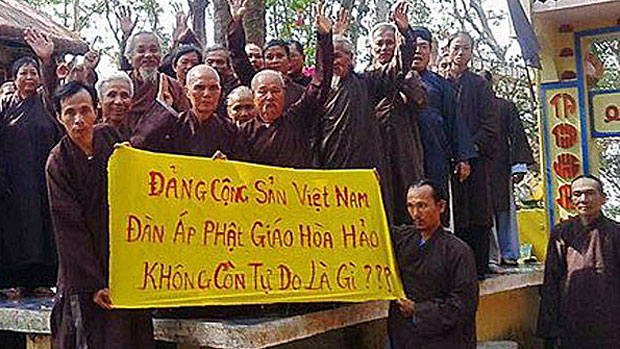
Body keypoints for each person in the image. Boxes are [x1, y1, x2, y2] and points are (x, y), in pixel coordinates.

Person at [47, 82, 155, 349]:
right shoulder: (58, 162)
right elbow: (69, 228)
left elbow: (146, 177)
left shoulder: (111, 139)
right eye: (70, 113)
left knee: (133, 337)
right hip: (84, 271)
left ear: (96, 111)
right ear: (60, 117)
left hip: (122, 262)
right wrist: (93, 283)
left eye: (85, 110)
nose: (78, 120)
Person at [316, 2, 413, 223]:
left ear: (351, 59)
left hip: (367, 169)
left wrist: (405, 33)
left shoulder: (368, 81)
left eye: (340, 56)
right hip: (332, 168)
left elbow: (399, 67)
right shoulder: (318, 90)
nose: (335, 61)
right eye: (331, 57)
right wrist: (325, 35)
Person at [0, 29, 62, 297]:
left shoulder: (47, 104)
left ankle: (40, 281)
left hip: (42, 178)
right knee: (13, 231)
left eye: (33, 72)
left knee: (43, 230)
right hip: (12, 181)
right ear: (14, 79)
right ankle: (10, 281)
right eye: (24, 72)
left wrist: (46, 61)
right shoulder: (4, 105)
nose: (29, 77)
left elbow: (53, 89)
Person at [240, 2, 333, 168]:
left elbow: (320, 83)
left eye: (275, 91)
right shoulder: (243, 131)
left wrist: (324, 38)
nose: (269, 97)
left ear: (285, 94)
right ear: (253, 97)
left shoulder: (297, 119)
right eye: (262, 91)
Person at [389, 180, 479, 349]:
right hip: (406, 337)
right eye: (410, 206)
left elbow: (463, 305)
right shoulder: (402, 239)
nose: (415, 214)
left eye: (422, 206)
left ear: (441, 206)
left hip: (445, 341)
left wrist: (417, 310)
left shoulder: (457, 251)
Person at [537, 175, 620, 348]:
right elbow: (551, 281)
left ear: (603, 198)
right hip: (571, 320)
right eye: (577, 194)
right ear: (571, 200)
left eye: (590, 193)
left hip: (610, 320)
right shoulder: (561, 233)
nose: (583, 199)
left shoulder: (615, 233)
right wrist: (549, 328)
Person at [365, 20, 428, 225]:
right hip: (374, 147)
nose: (384, 48)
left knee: (407, 199)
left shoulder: (408, 74)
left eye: (389, 43)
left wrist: (403, 92)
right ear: (371, 47)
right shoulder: (363, 77)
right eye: (379, 43)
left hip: (403, 147)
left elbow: (421, 102)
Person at [448, 32, 499, 279]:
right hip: (447, 160)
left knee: (476, 212)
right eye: (456, 48)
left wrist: (467, 151)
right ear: (448, 50)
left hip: (475, 160)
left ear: (472, 53)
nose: (460, 53)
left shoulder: (480, 86)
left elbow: (490, 126)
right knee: (452, 212)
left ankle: (478, 266)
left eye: (465, 48)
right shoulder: (440, 83)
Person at [411, 27, 476, 213]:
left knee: (436, 204)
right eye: (413, 46)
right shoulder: (394, 79)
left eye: (423, 47)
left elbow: (454, 120)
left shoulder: (440, 84)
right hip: (404, 154)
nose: (418, 51)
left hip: (435, 155)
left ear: (431, 50)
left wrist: (463, 157)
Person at [484, 72, 534, 267]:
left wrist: (518, 166)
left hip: (500, 166)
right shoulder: (469, 108)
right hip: (478, 166)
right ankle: (490, 256)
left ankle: (509, 253)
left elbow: (516, 135)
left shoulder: (504, 107)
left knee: (504, 210)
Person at [226, 0, 304, 109]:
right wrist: (236, 21)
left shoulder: (300, 92)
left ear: (289, 60)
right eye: (269, 57)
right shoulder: (253, 81)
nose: (275, 61)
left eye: (280, 56)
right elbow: (237, 55)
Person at [124, 31, 189, 151]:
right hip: (124, 149)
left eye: (154, 50)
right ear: (130, 57)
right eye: (141, 50)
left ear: (161, 56)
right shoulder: (121, 84)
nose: (148, 55)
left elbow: (185, 125)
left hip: (161, 154)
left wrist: (166, 109)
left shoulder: (172, 86)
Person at [174, 65, 244, 158]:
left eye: (213, 88)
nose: (207, 94)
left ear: (220, 91)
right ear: (187, 91)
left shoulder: (230, 130)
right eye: (199, 88)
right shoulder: (174, 125)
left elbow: (242, 165)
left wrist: (228, 164)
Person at [96, 72, 134, 139]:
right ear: (99, 102)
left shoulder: (135, 135)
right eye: (112, 95)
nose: (118, 101)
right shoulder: (90, 134)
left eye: (124, 96)